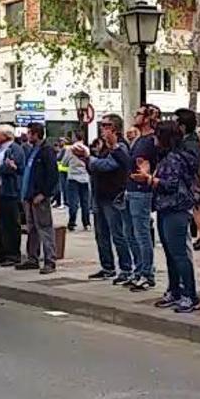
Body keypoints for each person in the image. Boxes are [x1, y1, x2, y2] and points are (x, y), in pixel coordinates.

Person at [131, 121, 200, 313]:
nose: (153, 140)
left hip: (175, 208)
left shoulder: (175, 159)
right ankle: (175, 290)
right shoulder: (167, 157)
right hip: (164, 208)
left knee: (179, 254)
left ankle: (190, 294)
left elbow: (171, 184)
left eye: (156, 136)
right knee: (171, 254)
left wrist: (149, 179)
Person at [76, 114, 135, 282]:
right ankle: (107, 267)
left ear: (115, 128)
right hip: (99, 194)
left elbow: (106, 166)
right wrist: (87, 160)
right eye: (102, 125)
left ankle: (125, 268)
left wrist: (88, 158)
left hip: (113, 195)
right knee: (101, 234)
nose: (102, 128)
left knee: (117, 234)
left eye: (106, 125)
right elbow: (94, 168)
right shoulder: (104, 147)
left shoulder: (120, 147)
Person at [124, 104, 160, 291]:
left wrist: (147, 174)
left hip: (142, 191)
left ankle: (147, 273)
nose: (135, 116)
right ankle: (138, 271)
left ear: (147, 118)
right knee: (131, 233)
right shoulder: (139, 139)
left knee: (142, 233)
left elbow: (153, 164)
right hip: (131, 189)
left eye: (139, 113)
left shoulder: (151, 140)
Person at [15, 123, 59, 274]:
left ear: (35, 134)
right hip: (29, 195)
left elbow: (53, 175)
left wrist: (44, 193)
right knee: (32, 228)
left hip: (39, 197)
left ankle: (50, 261)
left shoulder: (47, 151)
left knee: (44, 228)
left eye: (29, 133)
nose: (27, 136)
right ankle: (32, 257)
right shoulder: (33, 150)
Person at [0, 124, 25, 267]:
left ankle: (13, 254)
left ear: (6, 136)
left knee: (10, 223)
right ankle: (2, 252)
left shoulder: (15, 149)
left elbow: (11, 168)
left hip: (9, 191)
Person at [62, 131, 92, 231]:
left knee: (73, 202)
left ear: (75, 137)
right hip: (84, 178)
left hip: (73, 178)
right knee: (85, 202)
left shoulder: (70, 149)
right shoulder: (86, 149)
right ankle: (86, 223)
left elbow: (64, 162)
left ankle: (72, 223)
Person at [54, 138, 69, 208]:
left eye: (61, 141)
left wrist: (56, 154)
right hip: (64, 169)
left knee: (62, 187)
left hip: (62, 169)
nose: (60, 143)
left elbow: (59, 158)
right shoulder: (65, 149)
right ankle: (64, 201)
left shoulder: (64, 149)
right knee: (64, 187)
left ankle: (63, 202)